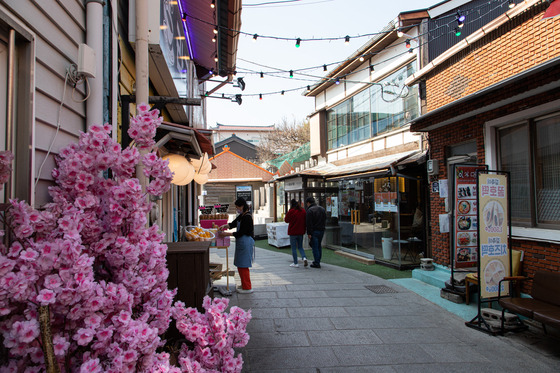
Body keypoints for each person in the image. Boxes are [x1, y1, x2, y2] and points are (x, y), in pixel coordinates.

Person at [218, 197, 254, 294]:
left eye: (238, 207)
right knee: (240, 264)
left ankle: (247, 287)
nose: (237, 209)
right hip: (241, 243)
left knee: (244, 265)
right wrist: (225, 226)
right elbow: (233, 224)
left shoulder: (247, 217)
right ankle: (244, 284)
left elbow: (241, 232)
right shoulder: (242, 215)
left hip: (246, 242)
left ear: (242, 206)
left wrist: (226, 234)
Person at [284, 199, 307, 268]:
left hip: (293, 232)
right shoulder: (303, 211)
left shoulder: (291, 211)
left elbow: (286, 220)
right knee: (300, 247)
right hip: (301, 231)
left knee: (293, 248)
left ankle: (295, 263)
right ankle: (304, 257)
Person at [305, 197, 326, 269]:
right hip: (321, 230)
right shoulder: (322, 209)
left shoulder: (310, 211)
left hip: (314, 231)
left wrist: (309, 233)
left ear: (308, 203)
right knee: (318, 246)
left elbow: (309, 223)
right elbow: (324, 219)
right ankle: (318, 260)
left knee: (315, 247)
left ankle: (316, 262)